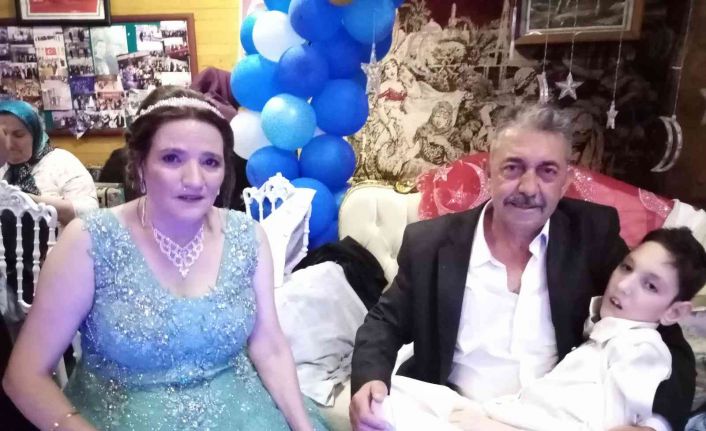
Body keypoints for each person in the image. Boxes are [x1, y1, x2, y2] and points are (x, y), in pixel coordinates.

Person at [349, 104, 695, 431]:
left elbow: (664, 338)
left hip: (550, 420)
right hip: (455, 416)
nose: (529, 188)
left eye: (547, 171)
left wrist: (655, 426)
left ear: (564, 181)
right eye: (513, 168)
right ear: (489, 172)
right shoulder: (431, 243)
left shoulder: (591, 235)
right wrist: (369, 380)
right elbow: (385, 323)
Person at [3, 87, 329, 430]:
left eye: (210, 162)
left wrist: (303, 427)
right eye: (172, 158)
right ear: (140, 165)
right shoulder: (88, 241)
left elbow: (269, 346)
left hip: (245, 415)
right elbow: (24, 375)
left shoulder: (248, 236)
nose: (194, 180)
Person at [385, 227, 706, 431]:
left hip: (503, 422)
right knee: (391, 394)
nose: (623, 285)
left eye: (650, 286)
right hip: (496, 410)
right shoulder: (607, 333)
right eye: (626, 267)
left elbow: (613, 420)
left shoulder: (639, 348)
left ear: (675, 312)